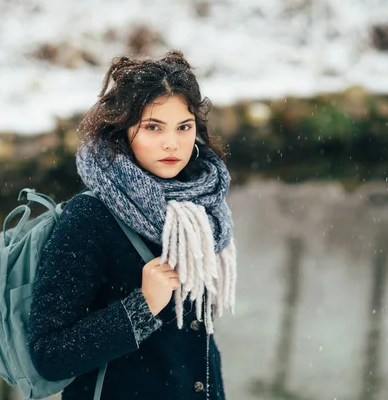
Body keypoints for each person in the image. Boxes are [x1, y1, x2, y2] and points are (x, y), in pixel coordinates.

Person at [27, 50, 237, 400]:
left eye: (184, 127)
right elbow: (49, 355)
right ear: (122, 130)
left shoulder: (202, 209)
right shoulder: (90, 218)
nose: (172, 143)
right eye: (153, 127)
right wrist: (143, 307)